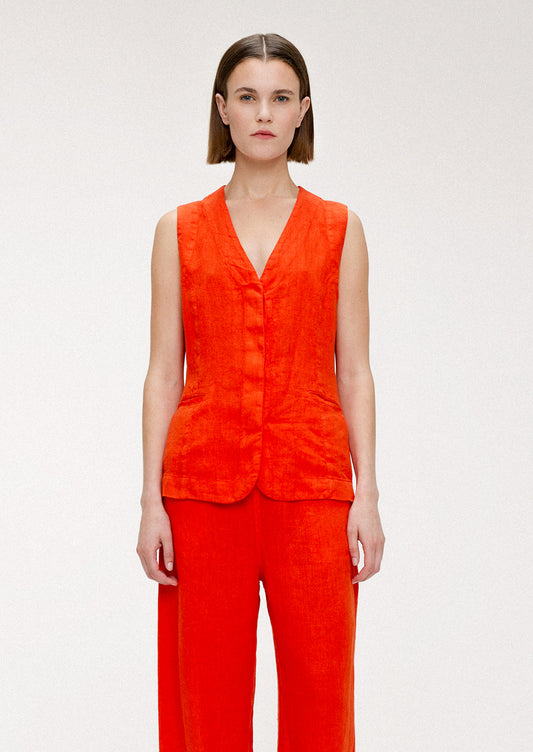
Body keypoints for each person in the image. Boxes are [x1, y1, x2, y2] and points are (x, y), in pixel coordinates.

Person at [137, 32, 385, 752]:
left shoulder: (339, 229)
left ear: (303, 110)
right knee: (204, 695)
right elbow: (162, 372)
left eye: (280, 98)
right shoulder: (178, 231)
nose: (264, 113)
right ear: (223, 109)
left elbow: (355, 370)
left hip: (313, 487)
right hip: (199, 489)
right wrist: (150, 501)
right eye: (247, 97)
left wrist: (367, 495)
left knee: (321, 693)